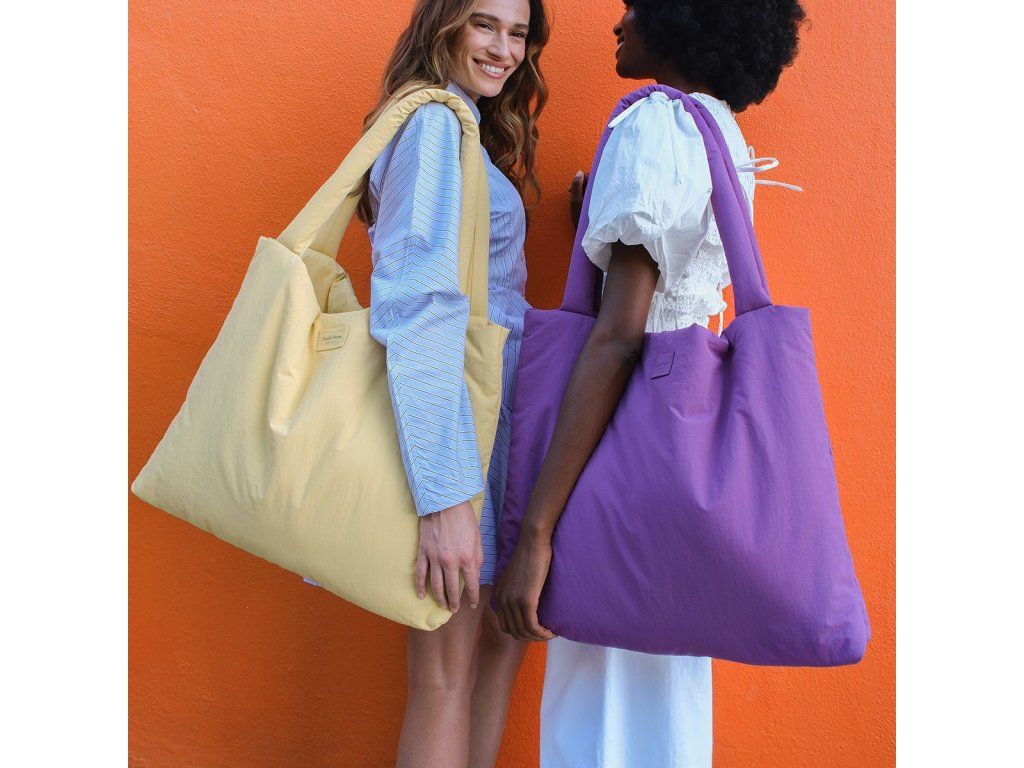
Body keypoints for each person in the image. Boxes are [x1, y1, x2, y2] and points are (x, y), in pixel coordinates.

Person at [494, 1, 805, 766]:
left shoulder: (654, 124)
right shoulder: (719, 132)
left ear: (681, 20)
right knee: (660, 714)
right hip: (682, 461)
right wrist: (599, 217)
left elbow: (619, 336)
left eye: (637, 5)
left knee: (601, 718)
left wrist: (536, 532)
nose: (619, 20)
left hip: (623, 457)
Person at [359, 1, 548, 765]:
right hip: (459, 434)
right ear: (443, 25)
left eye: (518, 32)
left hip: (490, 422)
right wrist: (445, 499)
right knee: (444, 677)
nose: (504, 49)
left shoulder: (459, 125)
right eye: (484, 25)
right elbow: (417, 306)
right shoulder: (435, 124)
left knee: (491, 652)